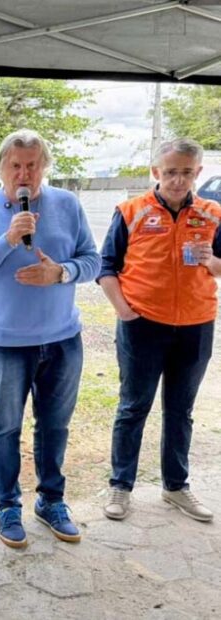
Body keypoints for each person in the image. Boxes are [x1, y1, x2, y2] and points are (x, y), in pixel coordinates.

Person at [0, 129, 100, 548]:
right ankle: (7, 505)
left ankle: (51, 501)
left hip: (62, 340)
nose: (24, 173)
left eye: (33, 164)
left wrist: (61, 272)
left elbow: (92, 261)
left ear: (44, 167)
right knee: (5, 427)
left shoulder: (67, 205)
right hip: (4, 343)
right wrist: (7, 239)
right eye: (15, 165)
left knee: (55, 425)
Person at [99, 138, 220, 523]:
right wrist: (125, 312)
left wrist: (213, 262)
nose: (178, 180)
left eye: (186, 172)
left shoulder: (213, 213)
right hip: (142, 326)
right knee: (133, 407)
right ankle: (121, 486)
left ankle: (176, 487)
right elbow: (106, 268)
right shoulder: (131, 211)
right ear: (156, 172)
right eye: (170, 172)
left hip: (196, 325)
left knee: (180, 410)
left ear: (198, 173)